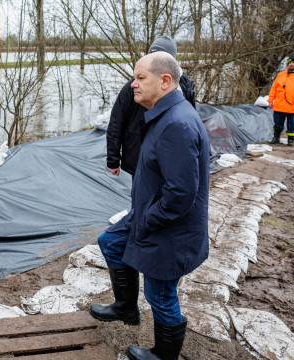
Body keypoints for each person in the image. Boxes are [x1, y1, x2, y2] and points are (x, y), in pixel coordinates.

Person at [93, 52, 210, 360]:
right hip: (152, 214)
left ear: (165, 81)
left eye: (140, 78)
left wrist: (146, 221)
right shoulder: (163, 114)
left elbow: (181, 194)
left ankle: (164, 355)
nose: (133, 84)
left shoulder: (177, 125)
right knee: (111, 242)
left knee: (160, 292)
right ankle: (126, 308)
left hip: (171, 227)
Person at [105, 35, 195, 178]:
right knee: (142, 195)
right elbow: (116, 123)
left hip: (170, 156)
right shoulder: (132, 87)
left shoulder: (185, 86)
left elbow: (190, 123)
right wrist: (113, 159)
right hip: (139, 156)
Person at [268, 55, 294, 146]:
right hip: (279, 105)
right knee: (277, 123)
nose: (291, 64)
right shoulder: (280, 75)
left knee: (292, 124)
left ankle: (290, 139)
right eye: (290, 63)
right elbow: (273, 88)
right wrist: (270, 100)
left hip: (293, 105)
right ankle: (276, 137)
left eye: (293, 63)